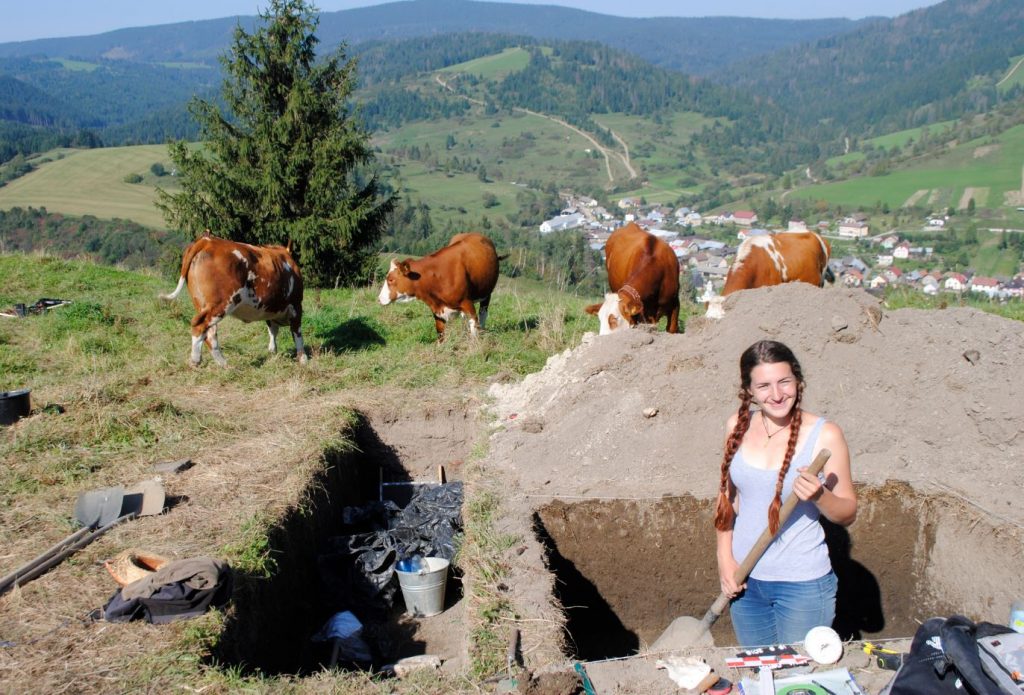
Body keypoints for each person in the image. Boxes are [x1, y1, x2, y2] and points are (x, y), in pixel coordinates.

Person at [714, 339, 857, 647]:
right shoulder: (736, 426)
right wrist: (725, 558)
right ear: (749, 390)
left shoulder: (825, 434)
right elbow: (726, 501)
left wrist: (820, 496)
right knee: (759, 675)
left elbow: (847, 513)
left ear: (798, 381)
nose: (777, 395)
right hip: (745, 582)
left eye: (784, 382)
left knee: (796, 680)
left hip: (802, 586)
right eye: (764, 386)